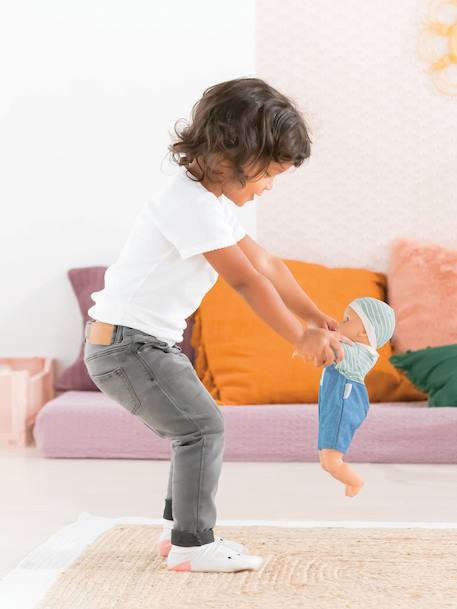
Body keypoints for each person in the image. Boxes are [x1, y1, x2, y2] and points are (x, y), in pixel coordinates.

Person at [83, 77, 353, 573]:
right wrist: (298, 338)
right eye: (268, 175)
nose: (269, 186)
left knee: (195, 429)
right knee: (201, 429)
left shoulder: (208, 204)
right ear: (234, 156)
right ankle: (192, 545)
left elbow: (267, 264)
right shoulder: (187, 205)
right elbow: (247, 283)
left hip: (140, 344)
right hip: (127, 346)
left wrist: (313, 315)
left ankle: (177, 534)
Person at [318, 297, 396, 497]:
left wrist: (325, 338)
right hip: (334, 402)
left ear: (363, 332)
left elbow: (338, 353)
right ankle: (350, 480)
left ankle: (355, 482)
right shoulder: (352, 345)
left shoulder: (363, 353)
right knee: (325, 461)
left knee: (331, 461)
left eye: (346, 320)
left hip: (345, 403)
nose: (340, 323)